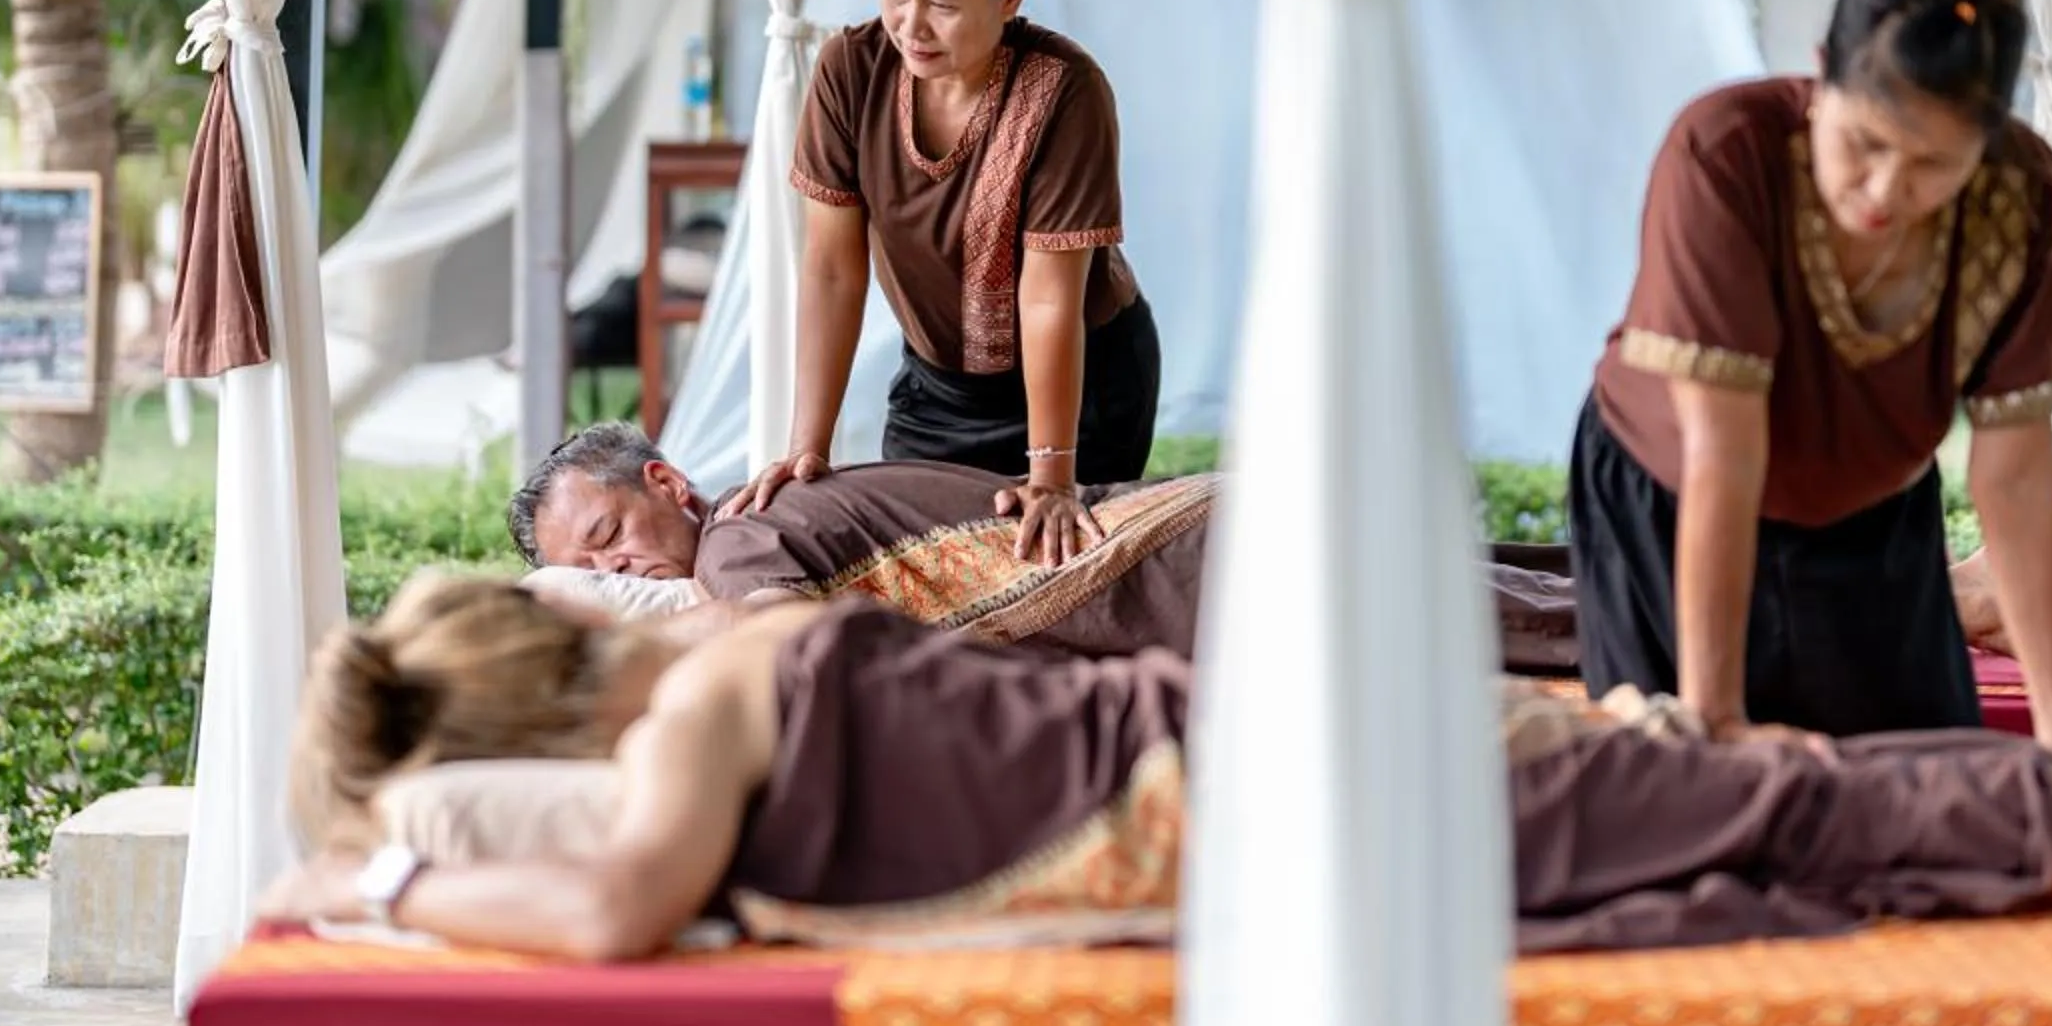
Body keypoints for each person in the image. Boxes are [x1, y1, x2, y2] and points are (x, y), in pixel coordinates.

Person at [263, 577, 2052, 962]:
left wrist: (377, 879)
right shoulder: (712, 664)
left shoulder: (695, 719)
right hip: (1307, 768)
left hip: (1319, 783)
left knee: (1808, 811)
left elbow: (606, 906)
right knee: (1788, 800)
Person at [1571, 0, 2052, 761]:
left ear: (1985, 143)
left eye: (1932, 164)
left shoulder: (2020, 195)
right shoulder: (1724, 153)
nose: (1885, 190)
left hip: (1874, 515)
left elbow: (2015, 471)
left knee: (1928, 796)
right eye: (1866, 143)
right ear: (1817, 75)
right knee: (1691, 795)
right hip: (1673, 498)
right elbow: (1722, 459)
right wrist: (1718, 725)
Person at [734, 0, 1161, 564]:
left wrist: (1053, 475)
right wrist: (807, 447)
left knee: (1053, 580)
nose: (911, 25)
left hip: (1080, 387)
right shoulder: (850, 71)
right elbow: (834, 271)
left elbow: (1051, 300)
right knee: (920, 574)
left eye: (942, 4)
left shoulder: (1068, 91)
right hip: (938, 395)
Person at [507, 420, 1580, 672]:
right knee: (1542, 593)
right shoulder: (785, 506)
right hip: (1204, 534)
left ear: (665, 482)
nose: (618, 575)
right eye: (588, 574)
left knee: (1532, 624)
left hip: (1192, 566)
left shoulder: (737, 545)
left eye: (606, 538)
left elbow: (784, 645)